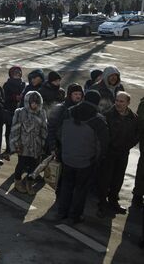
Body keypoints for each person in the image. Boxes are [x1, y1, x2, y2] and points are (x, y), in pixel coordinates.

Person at [57, 90, 109, 224]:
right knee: (80, 189)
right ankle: (75, 215)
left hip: (67, 157)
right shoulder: (98, 120)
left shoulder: (69, 111)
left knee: (66, 186)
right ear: (97, 102)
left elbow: (60, 133)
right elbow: (102, 145)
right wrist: (95, 160)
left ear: (84, 98)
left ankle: (62, 212)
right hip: (86, 161)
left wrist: (65, 150)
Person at [97, 92, 139, 217]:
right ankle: (101, 203)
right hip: (109, 153)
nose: (118, 103)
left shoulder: (133, 117)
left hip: (123, 153)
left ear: (128, 103)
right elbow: (103, 135)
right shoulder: (108, 115)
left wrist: (127, 146)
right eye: (117, 100)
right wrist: (110, 146)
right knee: (105, 179)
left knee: (118, 178)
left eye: (122, 101)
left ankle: (113, 201)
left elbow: (136, 135)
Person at [9, 91, 48, 195]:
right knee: (21, 165)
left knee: (34, 166)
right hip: (23, 145)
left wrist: (45, 144)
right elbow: (15, 129)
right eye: (32, 102)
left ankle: (29, 184)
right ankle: (17, 183)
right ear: (27, 102)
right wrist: (16, 144)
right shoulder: (20, 112)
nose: (34, 104)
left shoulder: (42, 113)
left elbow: (44, 129)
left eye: (36, 102)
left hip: (37, 145)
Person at [2, 66, 26, 159]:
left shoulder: (23, 84)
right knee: (9, 130)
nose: (17, 74)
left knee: (19, 130)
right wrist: (14, 98)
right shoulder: (7, 85)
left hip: (20, 110)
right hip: (10, 110)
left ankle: (16, 147)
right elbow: (4, 98)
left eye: (18, 72)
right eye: (15, 73)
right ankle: (9, 147)